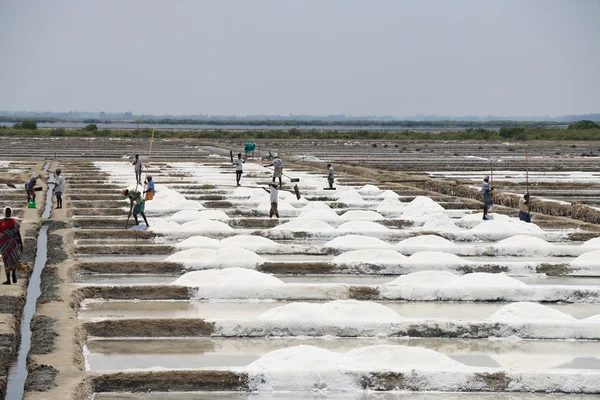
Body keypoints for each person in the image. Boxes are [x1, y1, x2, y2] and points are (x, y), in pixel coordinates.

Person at [0, 207, 27, 285]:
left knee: (14, 260)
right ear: (5, 212)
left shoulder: (15, 222)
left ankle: (13, 274)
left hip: (13, 244)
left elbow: (18, 234)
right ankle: (8, 279)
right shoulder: (1, 222)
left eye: (9, 212)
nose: (8, 213)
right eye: (7, 212)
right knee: (6, 261)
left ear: (11, 213)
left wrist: (21, 244)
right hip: (4, 245)